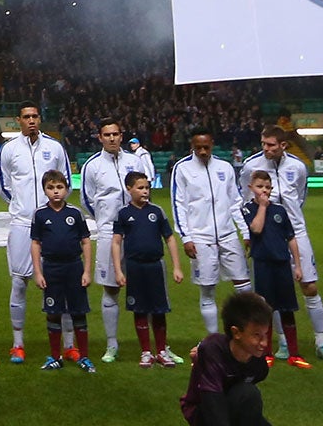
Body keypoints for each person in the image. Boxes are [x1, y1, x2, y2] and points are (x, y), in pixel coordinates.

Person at [240, 123, 323, 360]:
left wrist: (287, 221)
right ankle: (283, 343)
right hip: (266, 235)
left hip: (295, 231)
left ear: (283, 145)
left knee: (309, 286)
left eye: (270, 145)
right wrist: (248, 233)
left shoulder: (298, 166)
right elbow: (242, 199)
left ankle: (321, 342)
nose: (266, 149)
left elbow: (300, 196)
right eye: (263, 144)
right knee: (272, 292)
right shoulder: (251, 165)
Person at [0, 103, 70, 362]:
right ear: (19, 121)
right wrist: (23, 208)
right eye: (26, 117)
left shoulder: (55, 148)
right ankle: (18, 343)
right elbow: (4, 186)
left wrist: (51, 214)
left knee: (60, 282)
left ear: (40, 119)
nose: (31, 120)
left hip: (53, 224)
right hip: (22, 223)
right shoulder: (9, 149)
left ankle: (69, 344)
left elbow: (66, 181)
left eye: (35, 116)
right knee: (19, 281)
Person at [81, 117, 153, 364]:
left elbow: (145, 191)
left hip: (138, 232)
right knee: (110, 288)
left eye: (115, 134)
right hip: (109, 232)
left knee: (144, 288)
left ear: (121, 136)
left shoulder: (135, 162)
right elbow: (88, 200)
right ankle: (112, 344)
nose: (112, 138)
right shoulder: (92, 166)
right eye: (107, 134)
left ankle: (150, 347)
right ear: (100, 137)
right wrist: (106, 221)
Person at [171, 130, 250, 337]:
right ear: (192, 146)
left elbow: (235, 202)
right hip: (200, 237)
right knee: (207, 289)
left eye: (206, 147)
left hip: (228, 234)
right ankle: (214, 339)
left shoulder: (224, 167)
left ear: (212, 144)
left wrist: (245, 231)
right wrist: (186, 237)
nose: (203, 151)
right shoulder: (182, 168)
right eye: (198, 148)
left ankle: (246, 333)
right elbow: (178, 204)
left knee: (244, 285)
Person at [111, 168, 184, 366]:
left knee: (159, 309)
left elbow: (169, 238)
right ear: (129, 189)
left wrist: (176, 266)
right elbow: (116, 242)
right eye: (140, 188)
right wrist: (118, 270)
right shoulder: (124, 214)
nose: (145, 191)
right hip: (134, 267)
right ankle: (146, 351)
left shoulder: (156, 211)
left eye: (147, 187)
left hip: (156, 266)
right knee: (139, 309)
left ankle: (161, 350)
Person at [242, 169, 309, 367]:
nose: (264, 191)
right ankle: (266, 352)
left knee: (288, 309)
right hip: (263, 263)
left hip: (282, 263)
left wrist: (297, 264)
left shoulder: (280, 210)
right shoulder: (248, 208)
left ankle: (294, 353)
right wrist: (262, 207)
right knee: (265, 310)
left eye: (268, 187)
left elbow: (291, 238)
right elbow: (256, 228)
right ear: (251, 188)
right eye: (260, 187)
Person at [179, 289, 276, 426]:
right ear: (236, 332)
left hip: (232, 403)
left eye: (265, 334)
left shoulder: (257, 362)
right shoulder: (213, 350)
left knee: (248, 398)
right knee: (248, 394)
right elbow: (212, 404)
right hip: (204, 409)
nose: (264, 343)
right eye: (257, 335)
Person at [30, 168, 94, 371]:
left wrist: (87, 270)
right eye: (51, 188)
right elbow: (36, 244)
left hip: (74, 266)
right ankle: (54, 356)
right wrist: (38, 272)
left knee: (78, 311)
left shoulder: (74, 213)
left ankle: (84, 356)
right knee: (53, 312)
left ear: (67, 189)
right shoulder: (40, 215)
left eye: (59, 187)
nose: (55, 191)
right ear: (44, 190)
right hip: (51, 268)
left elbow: (86, 242)